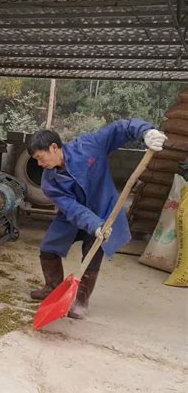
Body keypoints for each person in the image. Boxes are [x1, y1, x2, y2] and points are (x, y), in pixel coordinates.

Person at [27, 120, 167, 319]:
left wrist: (146, 131)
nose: (40, 164)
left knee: (92, 254)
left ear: (54, 147)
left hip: (104, 212)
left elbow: (120, 128)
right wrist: (93, 224)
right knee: (48, 248)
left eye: (40, 158)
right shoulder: (49, 181)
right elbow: (71, 208)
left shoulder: (88, 146)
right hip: (73, 217)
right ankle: (52, 287)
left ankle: (81, 301)